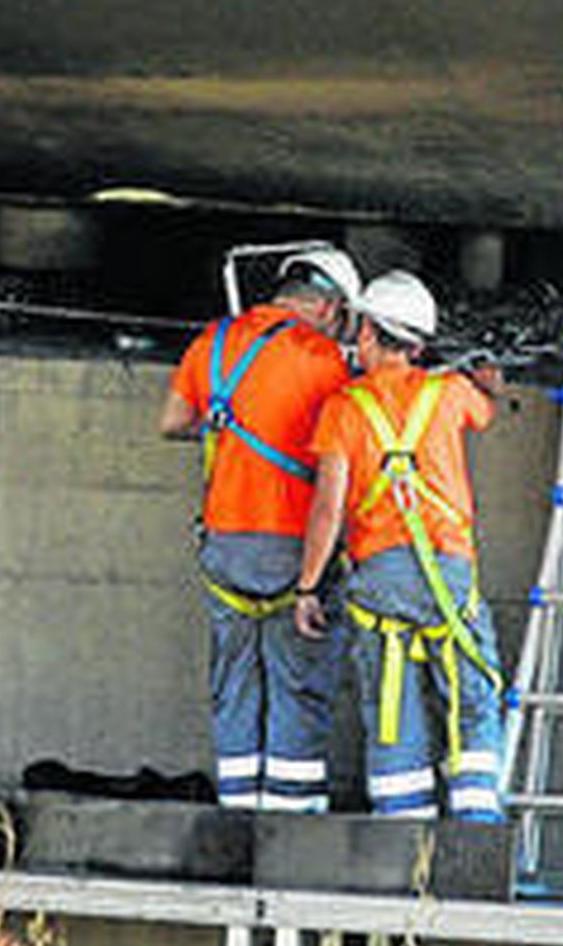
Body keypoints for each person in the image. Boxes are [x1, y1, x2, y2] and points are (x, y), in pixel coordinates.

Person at [293, 270, 505, 821]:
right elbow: (486, 404)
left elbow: (327, 509)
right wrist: (484, 376)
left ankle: (402, 837)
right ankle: (478, 830)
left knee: (390, 711)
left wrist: (308, 587)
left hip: (380, 581)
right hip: (449, 575)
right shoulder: (449, 393)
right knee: (471, 700)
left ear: (367, 333)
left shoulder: (344, 408)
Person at [159, 245, 360, 811]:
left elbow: (172, 422)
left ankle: (238, 811)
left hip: (223, 544)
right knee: (298, 681)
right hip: (295, 550)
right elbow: (343, 453)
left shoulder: (213, 343)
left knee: (235, 686)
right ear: (328, 307)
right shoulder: (324, 360)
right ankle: (289, 818)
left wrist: (230, 424)